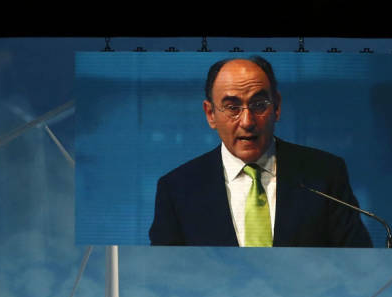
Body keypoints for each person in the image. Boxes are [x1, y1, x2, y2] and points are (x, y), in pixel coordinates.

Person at [149, 56, 372, 248]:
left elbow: (359, 263)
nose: (247, 121)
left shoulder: (325, 174)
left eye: (259, 104)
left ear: (276, 107)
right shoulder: (177, 189)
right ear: (210, 114)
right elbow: (162, 274)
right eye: (232, 108)